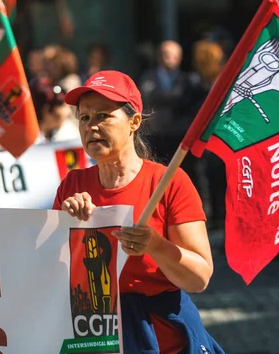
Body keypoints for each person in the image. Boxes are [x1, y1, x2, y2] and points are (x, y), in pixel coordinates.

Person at [53, 70, 223, 353]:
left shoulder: (169, 182)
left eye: (103, 116)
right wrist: (65, 227)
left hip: (162, 338)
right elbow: (52, 272)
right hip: (95, 334)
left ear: (133, 122)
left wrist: (155, 245)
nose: (91, 126)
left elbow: (199, 278)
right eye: (84, 117)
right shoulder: (73, 184)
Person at [29, 76, 79, 143]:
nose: (69, 112)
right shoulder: (27, 141)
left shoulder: (67, 132)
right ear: (46, 111)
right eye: (62, 106)